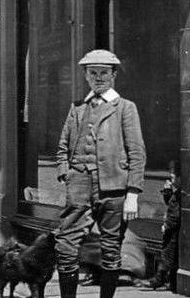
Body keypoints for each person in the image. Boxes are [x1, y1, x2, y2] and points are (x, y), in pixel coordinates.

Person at [55, 49, 147, 298]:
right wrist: (66, 174)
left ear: (113, 75)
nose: (98, 78)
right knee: (65, 245)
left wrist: (133, 194)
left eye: (104, 73)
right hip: (79, 186)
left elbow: (137, 152)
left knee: (111, 247)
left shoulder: (125, 108)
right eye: (93, 73)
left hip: (114, 188)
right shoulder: (77, 108)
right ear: (86, 76)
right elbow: (63, 146)